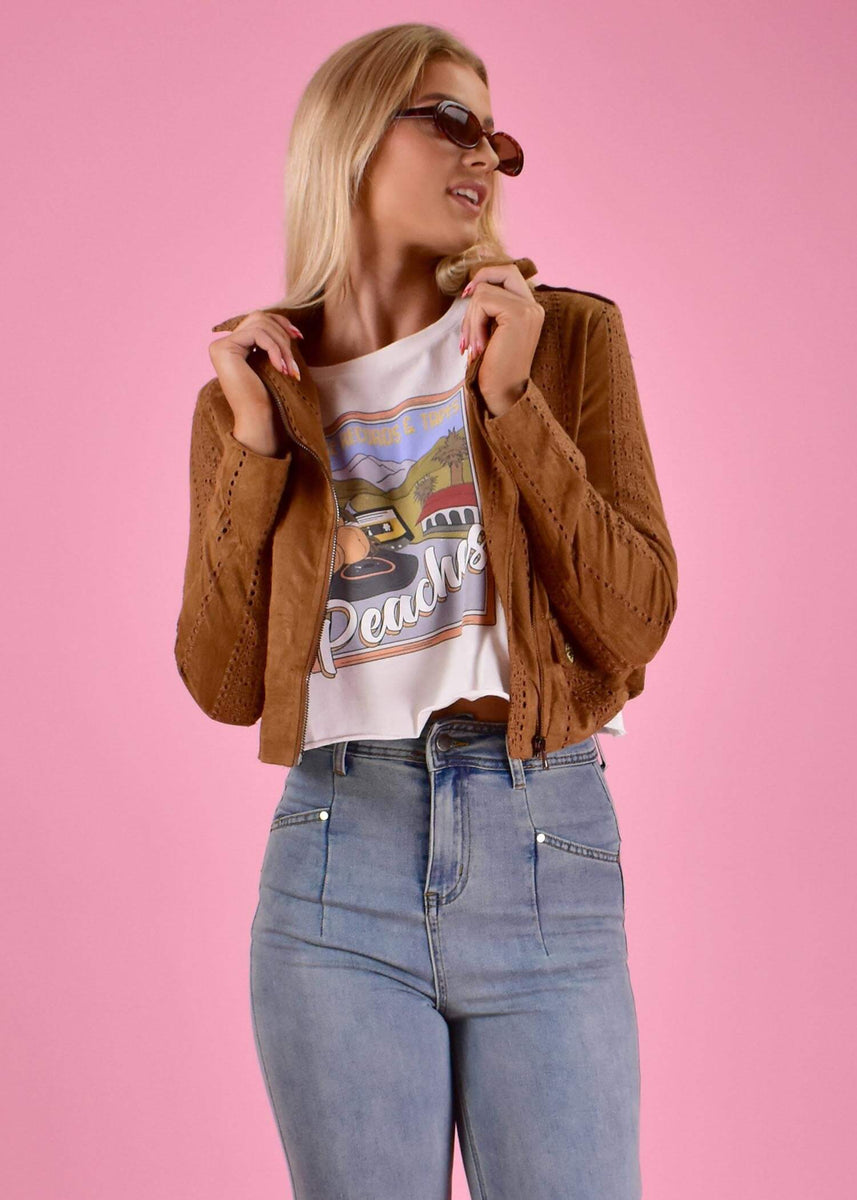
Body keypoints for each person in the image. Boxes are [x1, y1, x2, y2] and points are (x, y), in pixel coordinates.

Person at [175, 22, 679, 1200]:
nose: (483, 156)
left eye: (495, 137)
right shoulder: (254, 391)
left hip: (543, 841)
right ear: (349, 138)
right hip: (333, 855)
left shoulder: (563, 340)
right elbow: (222, 682)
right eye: (449, 120)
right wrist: (253, 449)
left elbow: (634, 619)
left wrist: (513, 407)